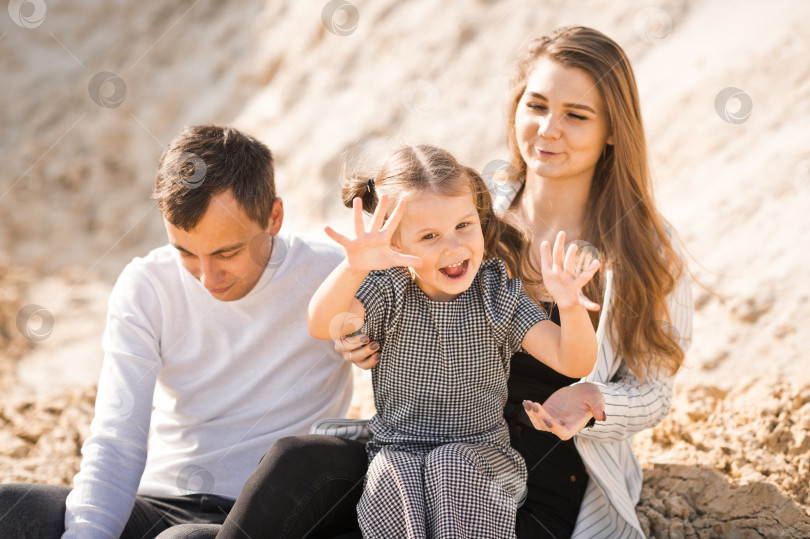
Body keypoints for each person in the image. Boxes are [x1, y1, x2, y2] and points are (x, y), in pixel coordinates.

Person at [217, 25, 693, 539]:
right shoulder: (465, 207)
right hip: (412, 447)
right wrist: (356, 335)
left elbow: (654, 390)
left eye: (576, 115)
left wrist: (594, 399)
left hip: (536, 471)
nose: (549, 129)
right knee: (297, 461)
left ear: (613, 129)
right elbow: (370, 302)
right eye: (536, 106)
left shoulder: (648, 246)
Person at [0, 125, 352, 538]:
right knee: (10, 510)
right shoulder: (147, 284)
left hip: (259, 515)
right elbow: (116, 440)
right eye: (184, 251)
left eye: (227, 252)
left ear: (274, 217)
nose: (206, 277)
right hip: (157, 501)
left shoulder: (334, 276)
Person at [306, 144, 601, 538]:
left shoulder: (498, 295)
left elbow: (573, 362)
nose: (454, 246)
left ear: (480, 219)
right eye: (429, 235)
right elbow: (322, 324)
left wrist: (571, 307)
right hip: (399, 452)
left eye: (464, 225)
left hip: (484, 458)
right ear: (394, 246)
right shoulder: (389, 291)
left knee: (451, 463)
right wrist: (352, 267)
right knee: (390, 478)